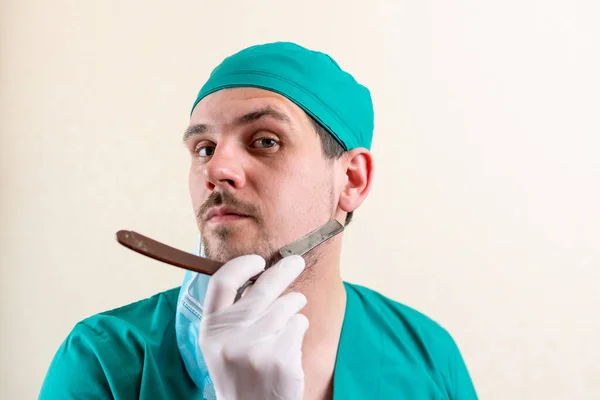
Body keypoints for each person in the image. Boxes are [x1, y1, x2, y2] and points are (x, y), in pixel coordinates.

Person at [39, 42, 478, 399]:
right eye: (204, 148)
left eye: (265, 141)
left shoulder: (429, 357)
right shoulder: (104, 361)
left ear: (351, 180)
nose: (216, 169)